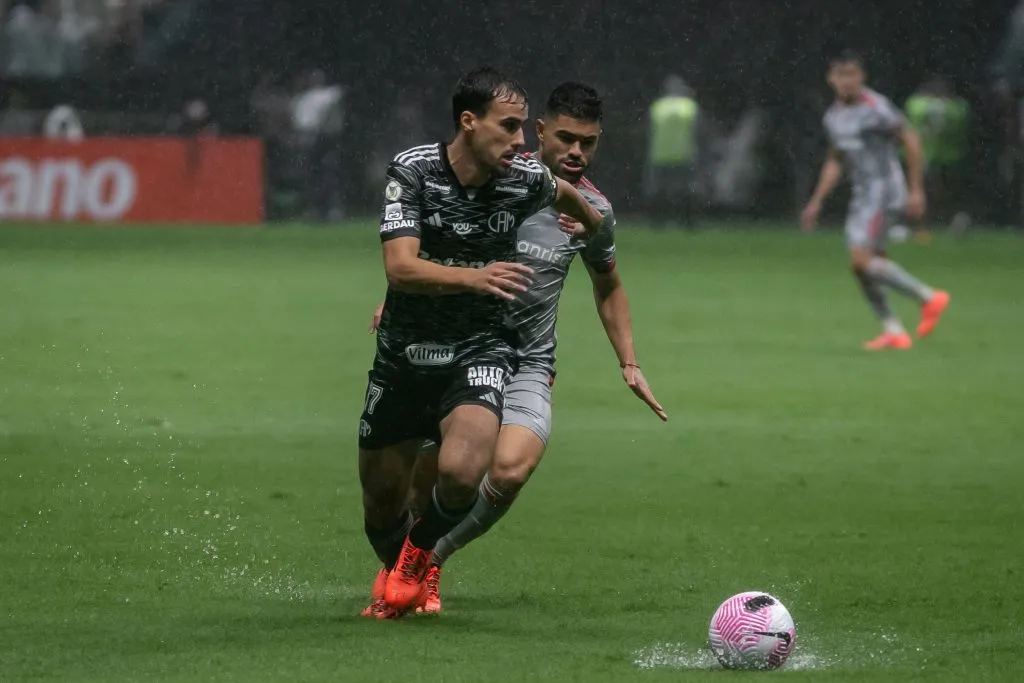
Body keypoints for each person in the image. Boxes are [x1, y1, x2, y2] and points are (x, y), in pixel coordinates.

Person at [369, 82, 668, 615]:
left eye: (590, 143)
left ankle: (430, 560)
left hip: (528, 359)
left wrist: (629, 361)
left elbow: (609, 282)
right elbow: (431, 239)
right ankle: (409, 563)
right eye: (569, 138)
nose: (578, 152)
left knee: (507, 471)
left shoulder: (592, 207)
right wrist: (392, 300)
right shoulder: (500, 176)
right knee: (433, 479)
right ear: (541, 132)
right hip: (455, 345)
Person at [801, 51, 950, 351]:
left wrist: (916, 189)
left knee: (862, 260)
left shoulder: (877, 108)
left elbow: (911, 140)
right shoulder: (834, 116)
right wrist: (817, 200)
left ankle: (929, 298)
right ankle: (894, 331)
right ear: (831, 79)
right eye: (841, 75)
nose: (847, 81)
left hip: (884, 193)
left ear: (862, 77)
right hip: (863, 195)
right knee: (864, 266)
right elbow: (835, 160)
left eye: (852, 74)